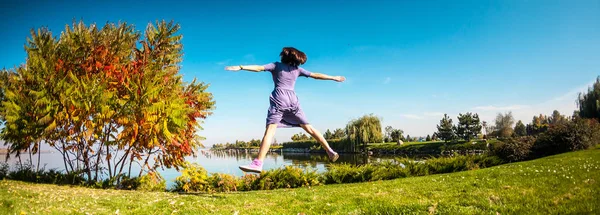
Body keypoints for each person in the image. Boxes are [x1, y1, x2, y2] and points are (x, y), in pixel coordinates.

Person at [225, 47, 345, 173]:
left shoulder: (276, 66)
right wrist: (334, 77)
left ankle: (258, 163)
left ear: (284, 56)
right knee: (309, 128)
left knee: (270, 131)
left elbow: (259, 68)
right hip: (293, 100)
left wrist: (242, 67)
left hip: (279, 98)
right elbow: (316, 75)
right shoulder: (297, 69)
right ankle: (329, 150)